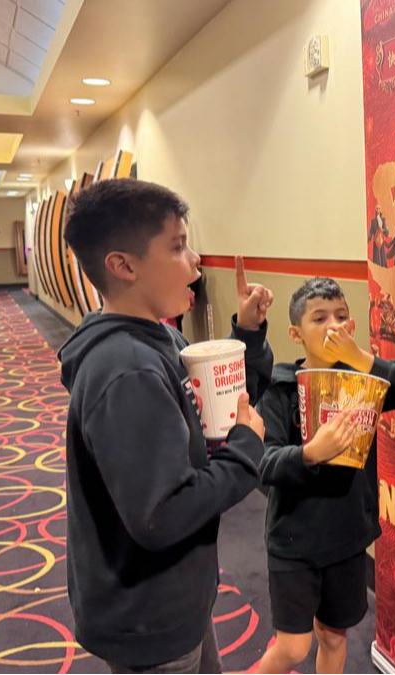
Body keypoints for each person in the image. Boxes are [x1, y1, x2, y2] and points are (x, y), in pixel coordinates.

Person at [57, 179, 275, 674]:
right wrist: (247, 451)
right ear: (124, 266)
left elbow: (218, 409)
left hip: (175, 594)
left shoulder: (159, 338)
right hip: (146, 616)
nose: (195, 262)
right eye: (177, 246)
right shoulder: (126, 369)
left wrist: (247, 334)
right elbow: (163, 514)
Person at [254, 277, 395, 675]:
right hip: (294, 539)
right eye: (319, 318)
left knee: (334, 637)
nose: (333, 326)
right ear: (296, 334)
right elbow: (263, 463)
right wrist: (309, 453)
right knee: (292, 648)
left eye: (341, 317)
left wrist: (361, 358)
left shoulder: (364, 383)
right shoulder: (280, 389)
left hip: (347, 536)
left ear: (351, 326)